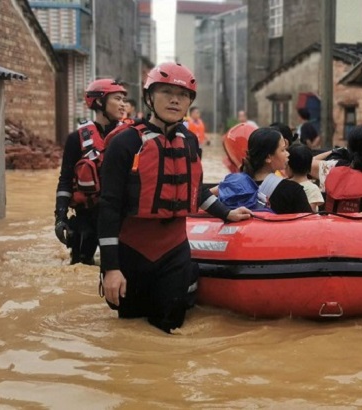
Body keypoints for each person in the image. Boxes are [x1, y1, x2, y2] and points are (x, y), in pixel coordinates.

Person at [97, 62, 252, 333]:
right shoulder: (124, 144)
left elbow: (195, 189)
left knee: (169, 330)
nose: (174, 99)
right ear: (149, 97)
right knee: (130, 333)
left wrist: (226, 213)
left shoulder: (190, 141)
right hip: (132, 252)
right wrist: (111, 268)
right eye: (166, 92)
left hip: (174, 252)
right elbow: (108, 206)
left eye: (182, 95)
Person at [54, 78, 127, 265]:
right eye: (117, 99)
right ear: (100, 101)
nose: (123, 104)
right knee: (80, 265)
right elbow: (65, 180)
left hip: (119, 217)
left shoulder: (129, 137)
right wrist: (60, 217)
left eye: (123, 100)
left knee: (120, 267)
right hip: (87, 217)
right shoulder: (75, 139)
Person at [222, 127, 312, 214]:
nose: (288, 154)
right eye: (283, 150)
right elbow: (309, 225)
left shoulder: (233, 185)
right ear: (268, 158)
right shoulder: (293, 191)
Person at [286, 144, 324, 212]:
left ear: (289, 166)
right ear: (310, 165)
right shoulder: (313, 188)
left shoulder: (284, 185)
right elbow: (310, 212)